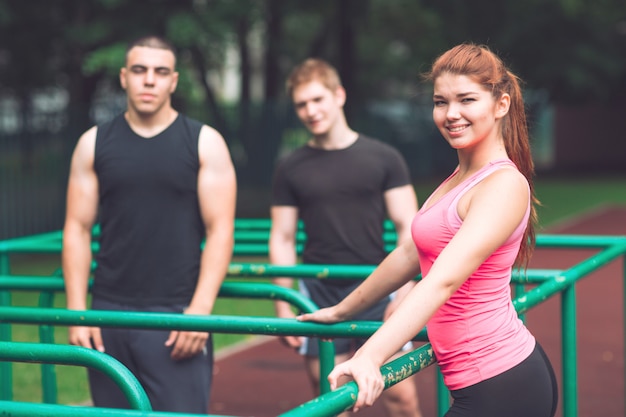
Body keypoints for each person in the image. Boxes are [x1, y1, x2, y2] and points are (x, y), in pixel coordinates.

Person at [299, 44, 559, 417]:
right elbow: (409, 253)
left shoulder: (502, 185)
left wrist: (370, 355)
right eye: (441, 102)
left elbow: (442, 281)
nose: (451, 114)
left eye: (466, 100)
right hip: (482, 381)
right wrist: (342, 310)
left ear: (501, 104)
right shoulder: (458, 178)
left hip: (503, 382)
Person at [62, 35, 236, 413]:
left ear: (173, 81)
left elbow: (220, 230)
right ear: (124, 77)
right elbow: (77, 229)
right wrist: (78, 311)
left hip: (175, 315)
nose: (149, 80)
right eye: (139, 71)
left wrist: (200, 311)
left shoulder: (204, 143)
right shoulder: (93, 143)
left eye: (160, 72)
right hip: (107, 312)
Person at [269, 58, 423, 417]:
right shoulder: (290, 166)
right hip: (320, 293)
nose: (310, 111)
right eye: (301, 104)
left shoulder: (384, 157)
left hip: (378, 285)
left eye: (317, 100)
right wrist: (282, 300)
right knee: (333, 402)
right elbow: (283, 236)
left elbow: (410, 229)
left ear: (338, 95)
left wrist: (405, 292)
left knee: (403, 398)